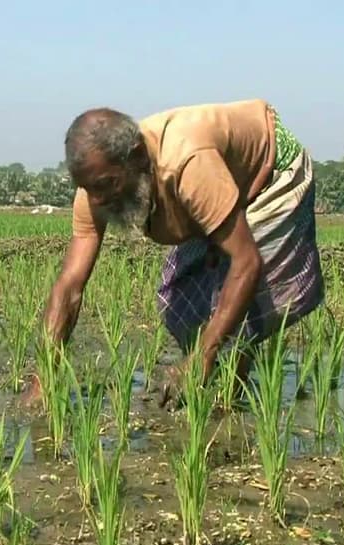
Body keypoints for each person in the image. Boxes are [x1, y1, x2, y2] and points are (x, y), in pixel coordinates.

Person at [26, 98, 325, 408]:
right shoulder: (94, 189)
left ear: (138, 157)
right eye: (88, 188)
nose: (98, 200)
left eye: (107, 185)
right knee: (180, 304)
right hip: (216, 186)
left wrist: (204, 355)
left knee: (239, 306)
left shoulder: (187, 162)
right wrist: (43, 377)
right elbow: (70, 286)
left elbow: (246, 262)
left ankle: (227, 396)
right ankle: (212, 381)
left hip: (269, 174)